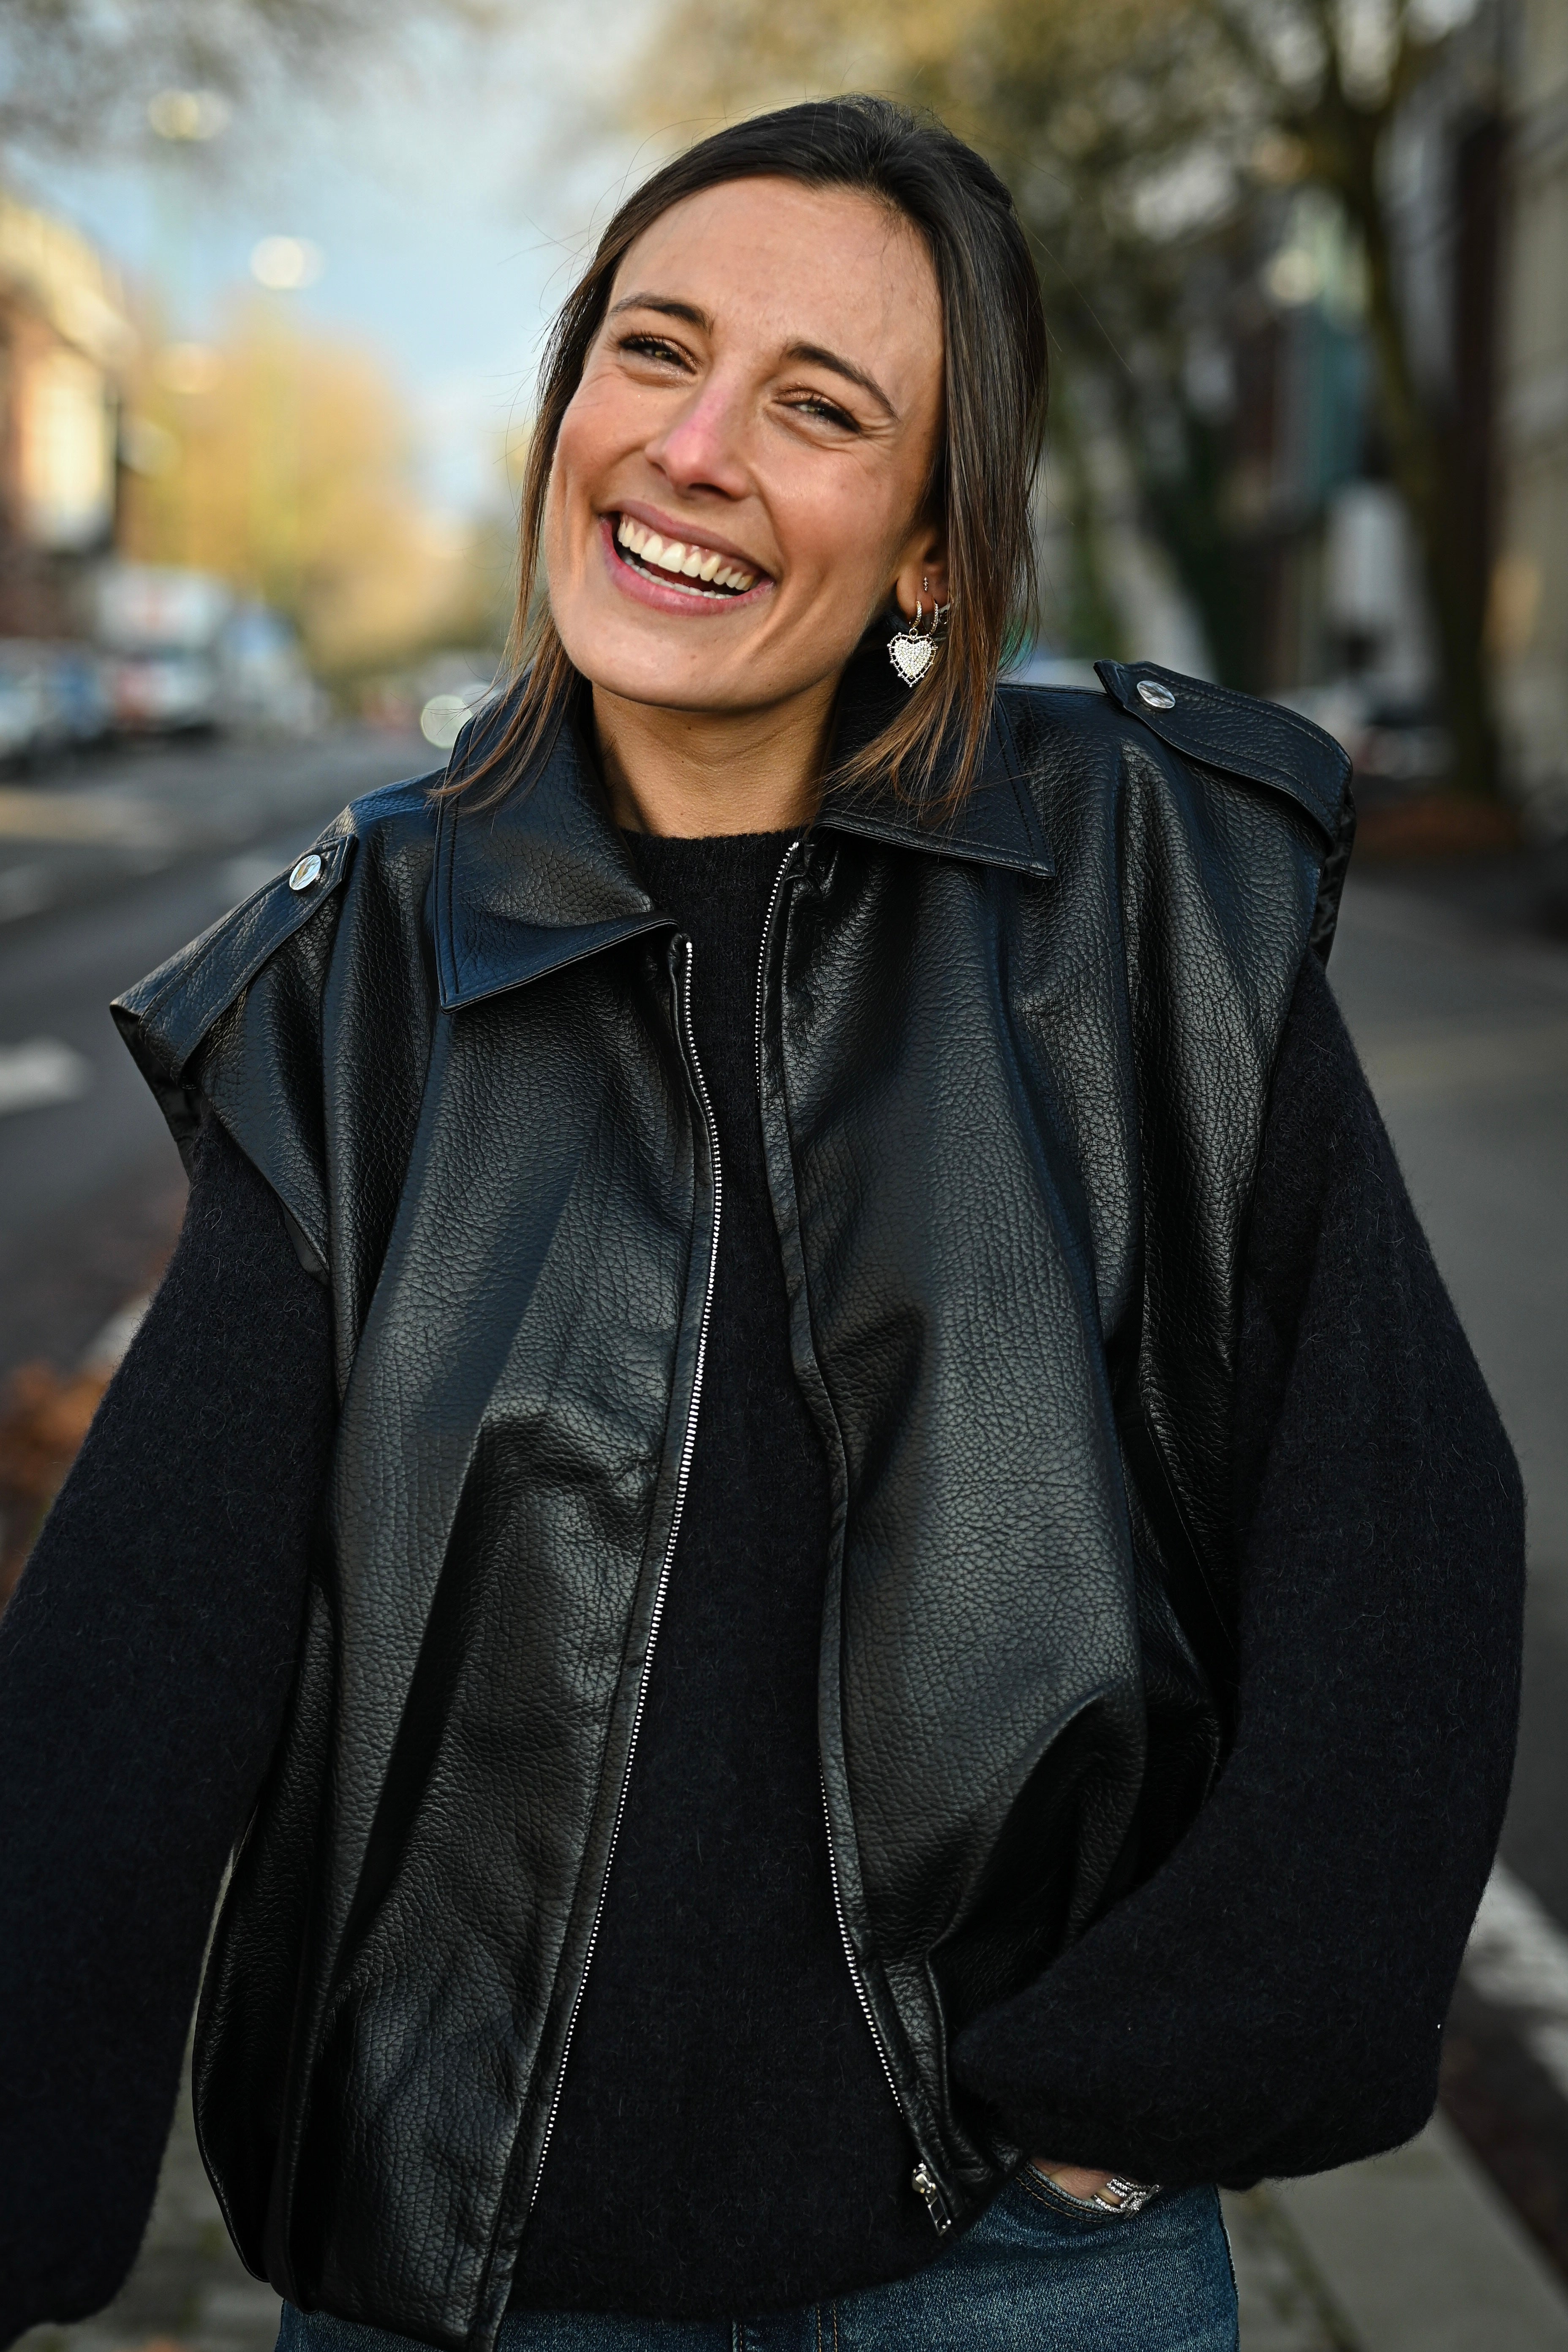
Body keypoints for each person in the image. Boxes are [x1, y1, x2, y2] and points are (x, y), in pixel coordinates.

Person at [0, 95, 1524, 2352]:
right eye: (654, 352)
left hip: (1020, 2273)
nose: (693, 450)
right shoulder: (362, 975)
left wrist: (1158, 2078)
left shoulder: (1144, 896)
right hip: (473, 2286)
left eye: (819, 409)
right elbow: (144, 1647)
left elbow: (1398, 1529)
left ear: (933, 552)